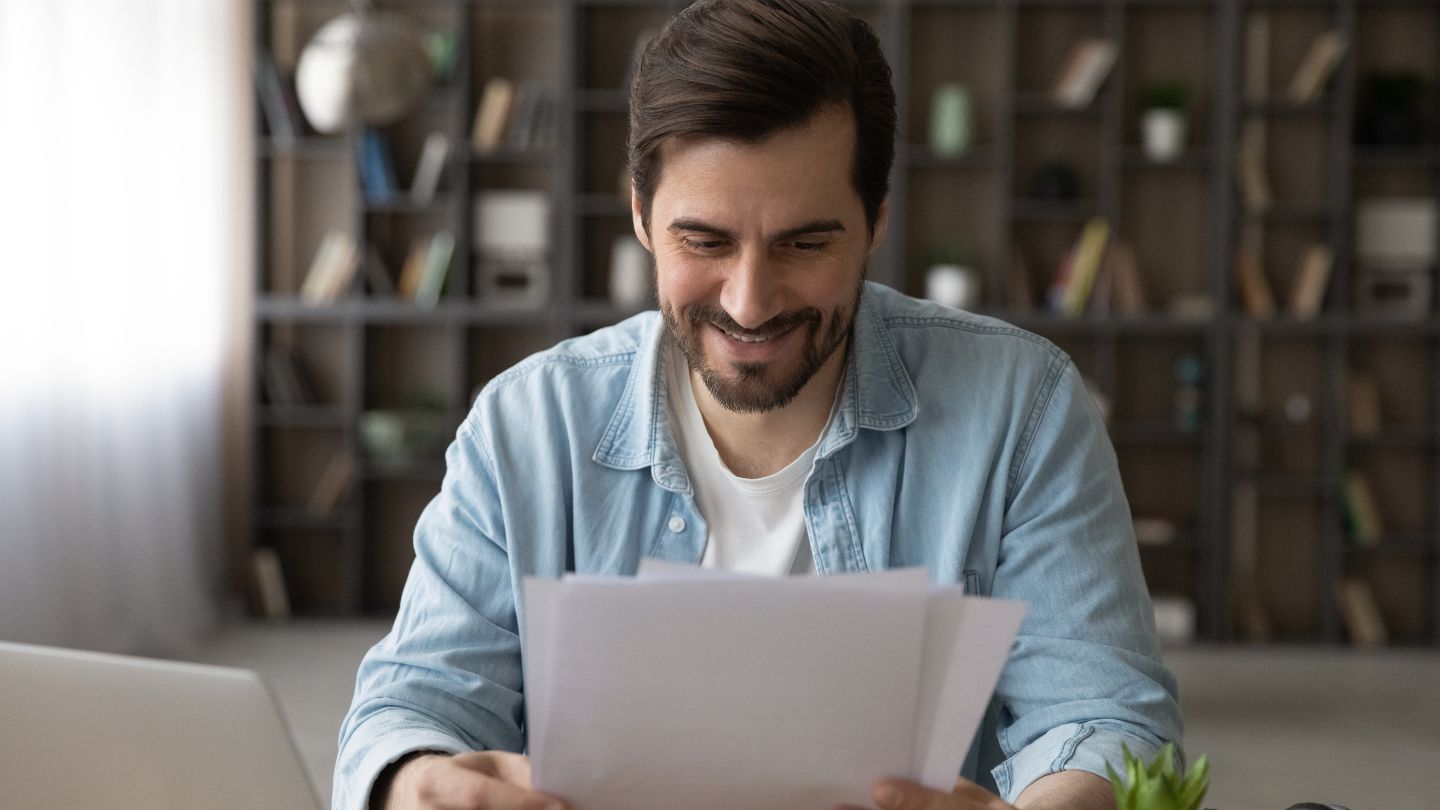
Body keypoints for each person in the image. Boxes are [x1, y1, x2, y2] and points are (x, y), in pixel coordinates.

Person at [334, 1, 1183, 808]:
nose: (749, 302)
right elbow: (416, 705)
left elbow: (1105, 717)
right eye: (703, 241)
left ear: (876, 220)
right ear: (639, 216)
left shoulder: (1022, 408)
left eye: (805, 243)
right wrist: (412, 781)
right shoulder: (526, 425)